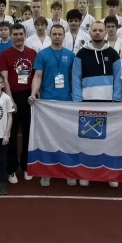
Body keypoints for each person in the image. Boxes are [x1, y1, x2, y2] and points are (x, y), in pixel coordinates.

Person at [72, 21, 122, 188]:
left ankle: (110, 174)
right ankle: (86, 173)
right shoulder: (81, 54)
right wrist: (78, 101)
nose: (98, 33)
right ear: (90, 33)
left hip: (108, 103)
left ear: (106, 32)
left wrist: (116, 100)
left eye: (101, 30)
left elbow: (118, 79)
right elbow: (76, 78)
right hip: (87, 102)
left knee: (109, 139)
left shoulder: (113, 54)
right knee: (87, 139)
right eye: (95, 30)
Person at [29, 24, 75, 187]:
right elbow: (37, 76)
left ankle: (68, 171)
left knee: (67, 138)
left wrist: (76, 98)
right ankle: (46, 172)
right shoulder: (42, 54)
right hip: (47, 102)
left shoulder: (70, 55)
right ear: (50, 35)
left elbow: (74, 78)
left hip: (66, 101)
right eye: (54, 34)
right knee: (48, 138)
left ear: (64, 36)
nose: (57, 36)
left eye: (59, 34)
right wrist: (33, 93)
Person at [0, 23, 37, 184]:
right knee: (12, 134)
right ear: (11, 36)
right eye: (15, 34)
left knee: (29, 133)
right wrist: (10, 100)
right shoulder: (5, 54)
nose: (19, 37)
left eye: (21, 34)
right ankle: (11, 169)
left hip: (28, 97)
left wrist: (34, 95)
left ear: (25, 35)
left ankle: (27, 166)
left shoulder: (32, 53)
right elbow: (5, 79)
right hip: (12, 97)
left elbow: (36, 76)